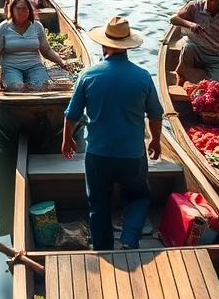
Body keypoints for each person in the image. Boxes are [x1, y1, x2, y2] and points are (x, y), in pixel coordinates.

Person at [61, 16, 162, 251]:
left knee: (98, 203)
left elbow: (72, 114)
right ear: (127, 47)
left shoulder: (88, 75)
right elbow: (155, 114)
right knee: (138, 197)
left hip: (98, 155)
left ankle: (102, 247)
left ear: (104, 45)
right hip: (132, 155)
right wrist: (156, 140)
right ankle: (129, 239)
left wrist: (67, 140)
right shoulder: (143, 77)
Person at [0, 0, 74, 91]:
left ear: (29, 11)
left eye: (24, 9)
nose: (21, 11)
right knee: (16, 88)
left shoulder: (37, 26)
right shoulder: (4, 27)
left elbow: (46, 51)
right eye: (18, 8)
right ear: (12, 10)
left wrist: (61, 62)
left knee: (42, 87)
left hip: (35, 66)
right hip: (11, 67)